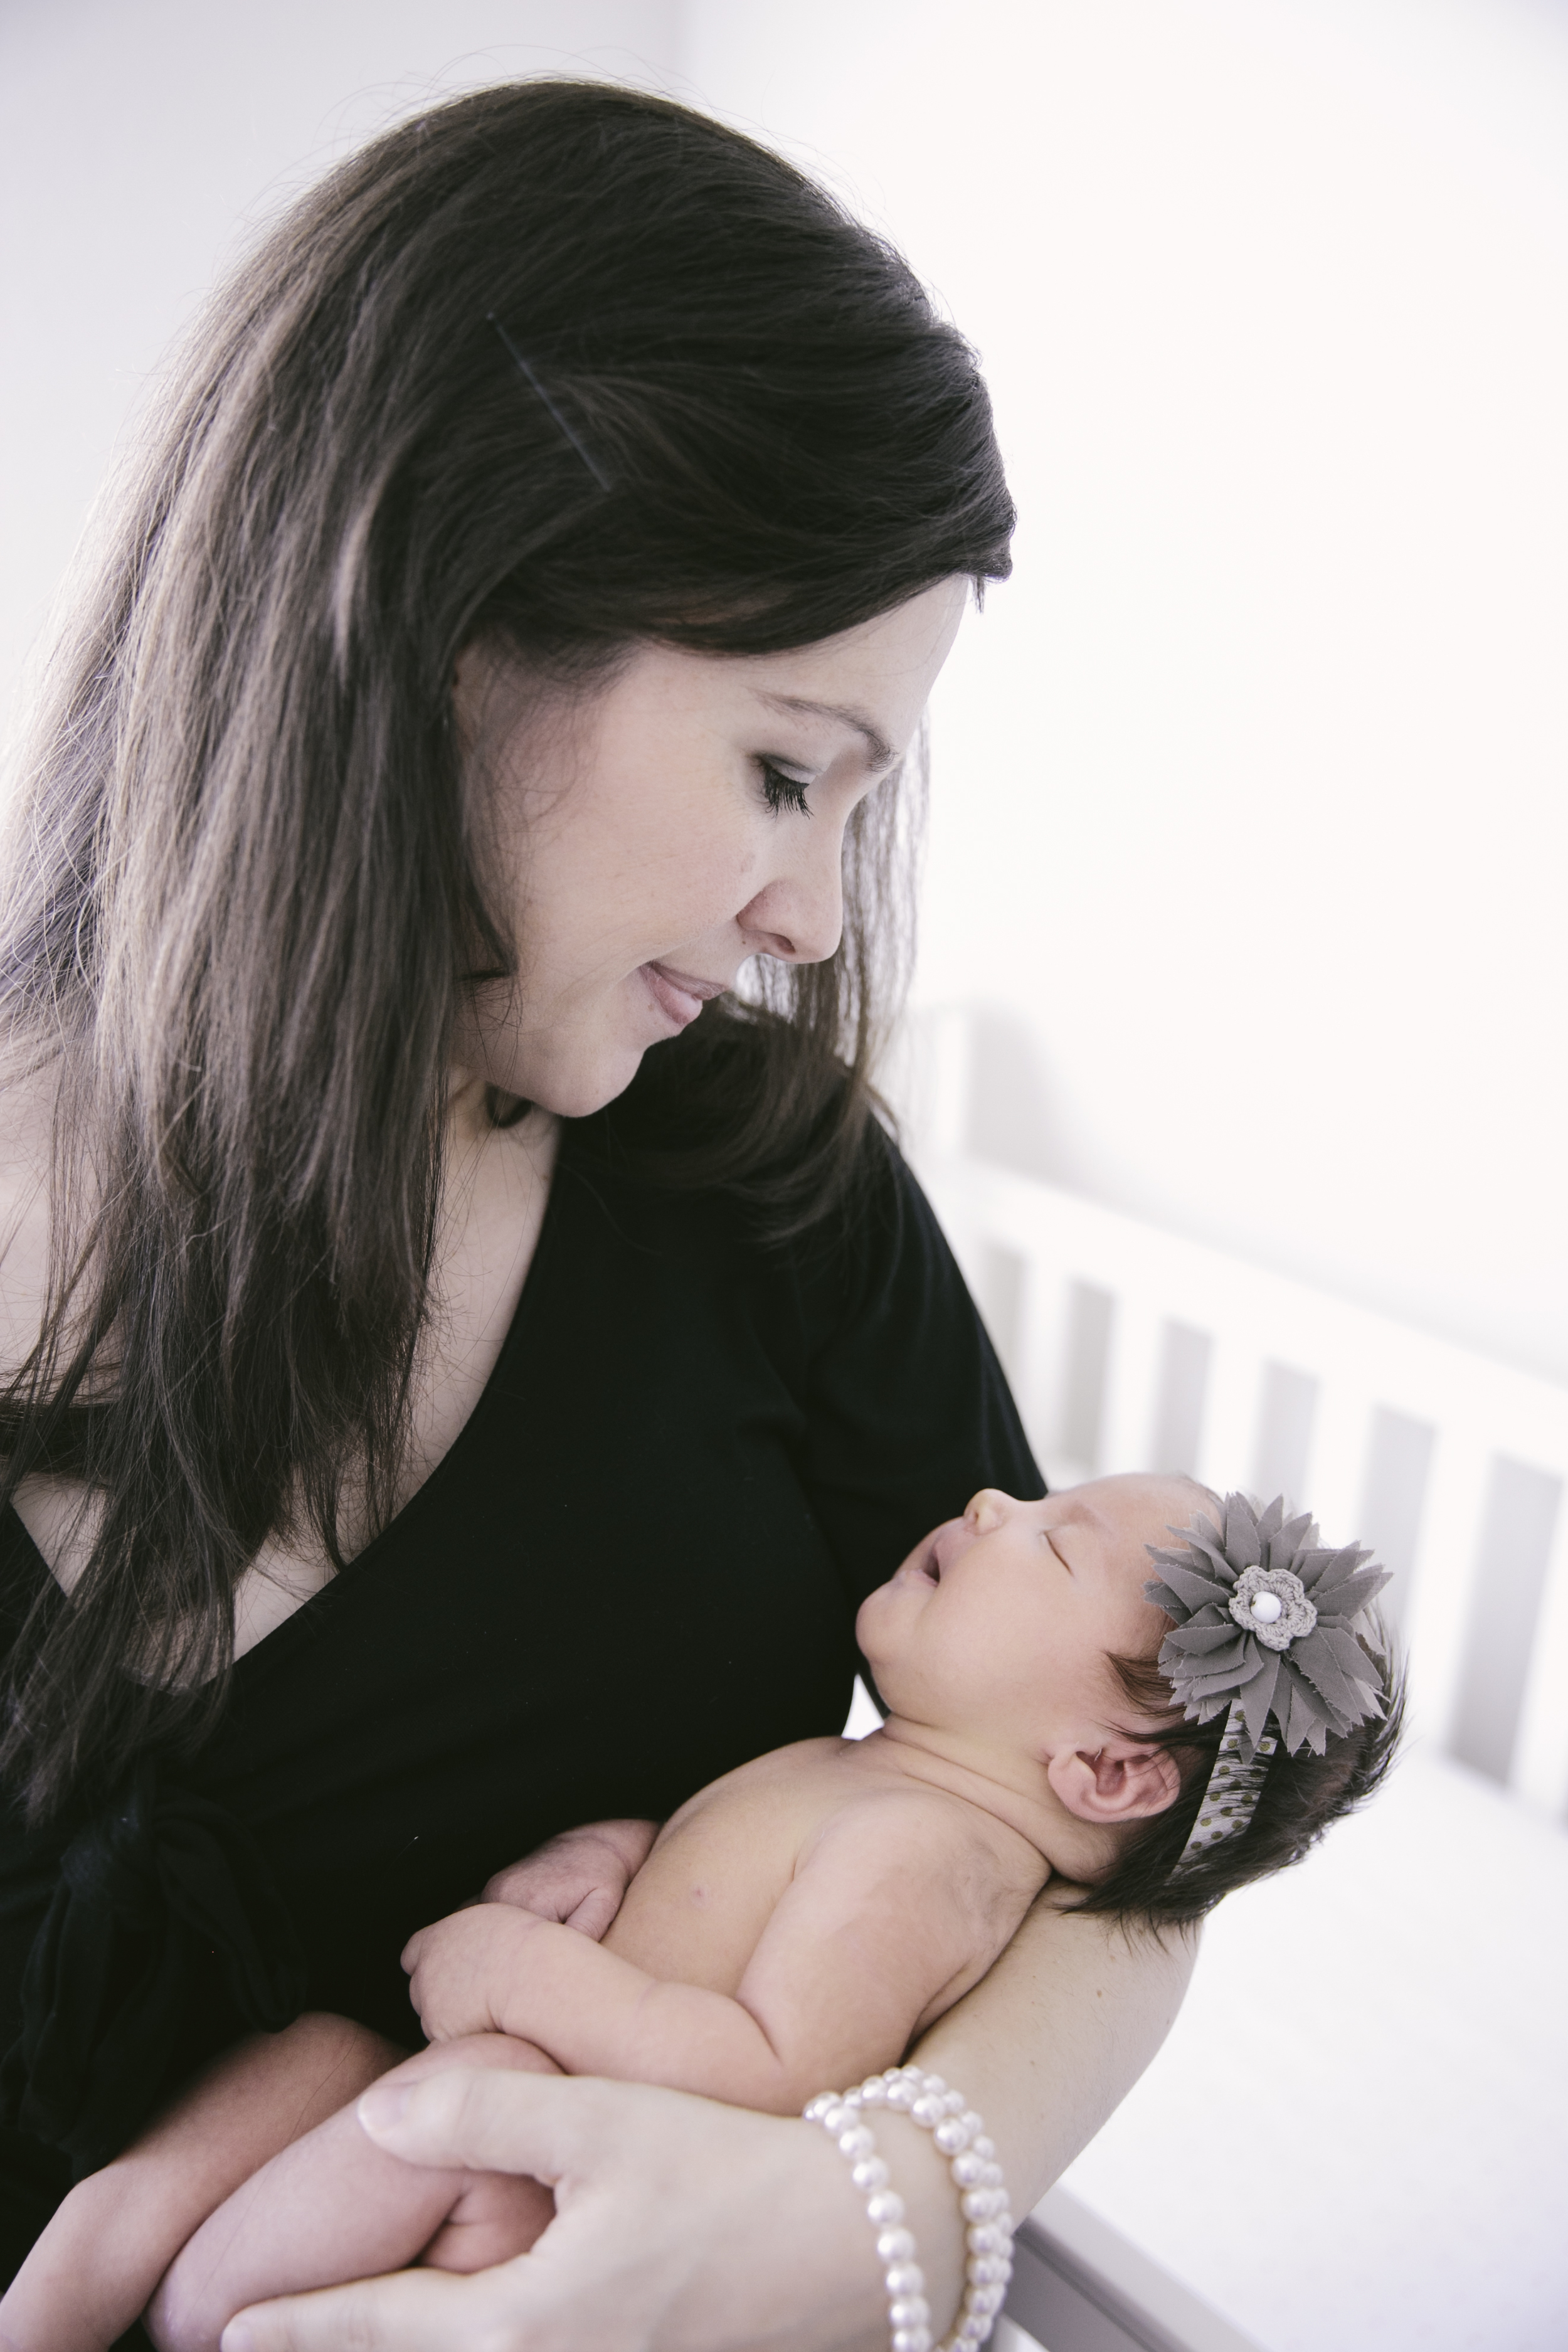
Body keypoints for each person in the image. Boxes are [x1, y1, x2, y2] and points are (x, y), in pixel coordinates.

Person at [0, 80, 1200, 2352]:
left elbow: (1113, 1850)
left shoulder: (765, 1188)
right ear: (447, 632)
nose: (806, 914)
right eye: (780, 768)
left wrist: (878, 2215)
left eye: (852, 806)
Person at [0, 1476, 1401, 2352]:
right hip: (470, 2095)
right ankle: (66, 2296)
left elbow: (767, 2067)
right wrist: (612, 1855)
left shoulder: (929, 1856)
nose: (991, 1502)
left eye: (1051, 1544)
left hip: (541, 2186)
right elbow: (723, 1866)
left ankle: (193, 2318)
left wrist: (527, 1973)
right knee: (314, 2053)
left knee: (416, 2119)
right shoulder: (875, 1774)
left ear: (1106, 1771)